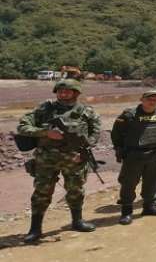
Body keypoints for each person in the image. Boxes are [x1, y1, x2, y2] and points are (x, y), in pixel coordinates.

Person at [16, 79, 101, 243]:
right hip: (46, 158)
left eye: (67, 91)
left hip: (74, 158)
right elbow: (22, 127)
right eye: (60, 91)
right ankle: (35, 229)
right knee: (42, 191)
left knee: (75, 190)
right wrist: (44, 132)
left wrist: (84, 150)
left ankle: (77, 221)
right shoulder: (44, 109)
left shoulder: (87, 112)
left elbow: (95, 134)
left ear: (75, 93)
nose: (63, 94)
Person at [112, 90, 156, 225]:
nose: (152, 101)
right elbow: (116, 134)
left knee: (152, 181)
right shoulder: (129, 114)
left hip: (155, 154)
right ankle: (126, 212)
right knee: (129, 183)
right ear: (142, 99)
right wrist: (119, 149)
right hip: (134, 155)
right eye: (149, 98)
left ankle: (149, 207)